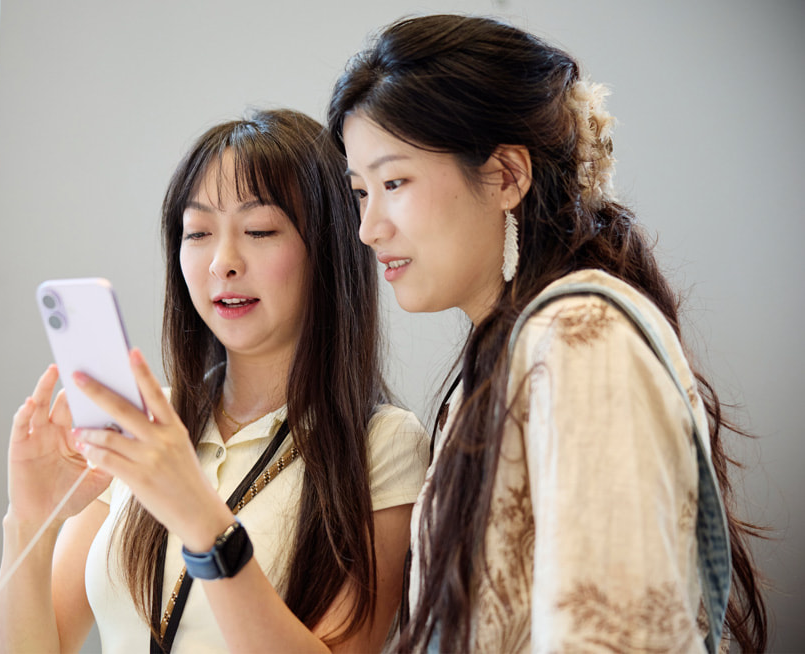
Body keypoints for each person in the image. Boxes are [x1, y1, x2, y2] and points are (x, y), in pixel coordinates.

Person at [328, 14, 768, 653]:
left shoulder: (579, 339)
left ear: (507, 175)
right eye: (361, 192)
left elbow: (615, 634)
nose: (369, 228)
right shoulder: (510, 351)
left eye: (394, 183)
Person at [0, 108, 429, 653]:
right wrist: (28, 522)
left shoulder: (382, 442)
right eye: (197, 232)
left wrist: (197, 514)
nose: (222, 262)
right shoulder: (149, 423)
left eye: (259, 230)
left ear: (329, 249)